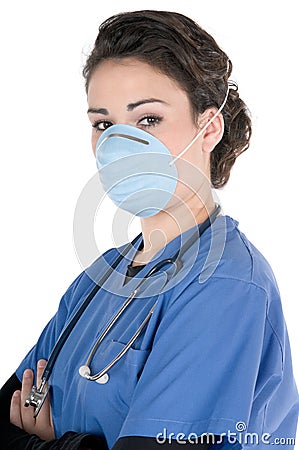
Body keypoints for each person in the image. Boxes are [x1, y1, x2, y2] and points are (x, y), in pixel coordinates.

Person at [0, 9, 298, 450]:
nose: (119, 145)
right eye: (103, 124)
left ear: (209, 126)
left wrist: (56, 442)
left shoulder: (226, 285)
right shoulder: (99, 278)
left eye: (148, 119)